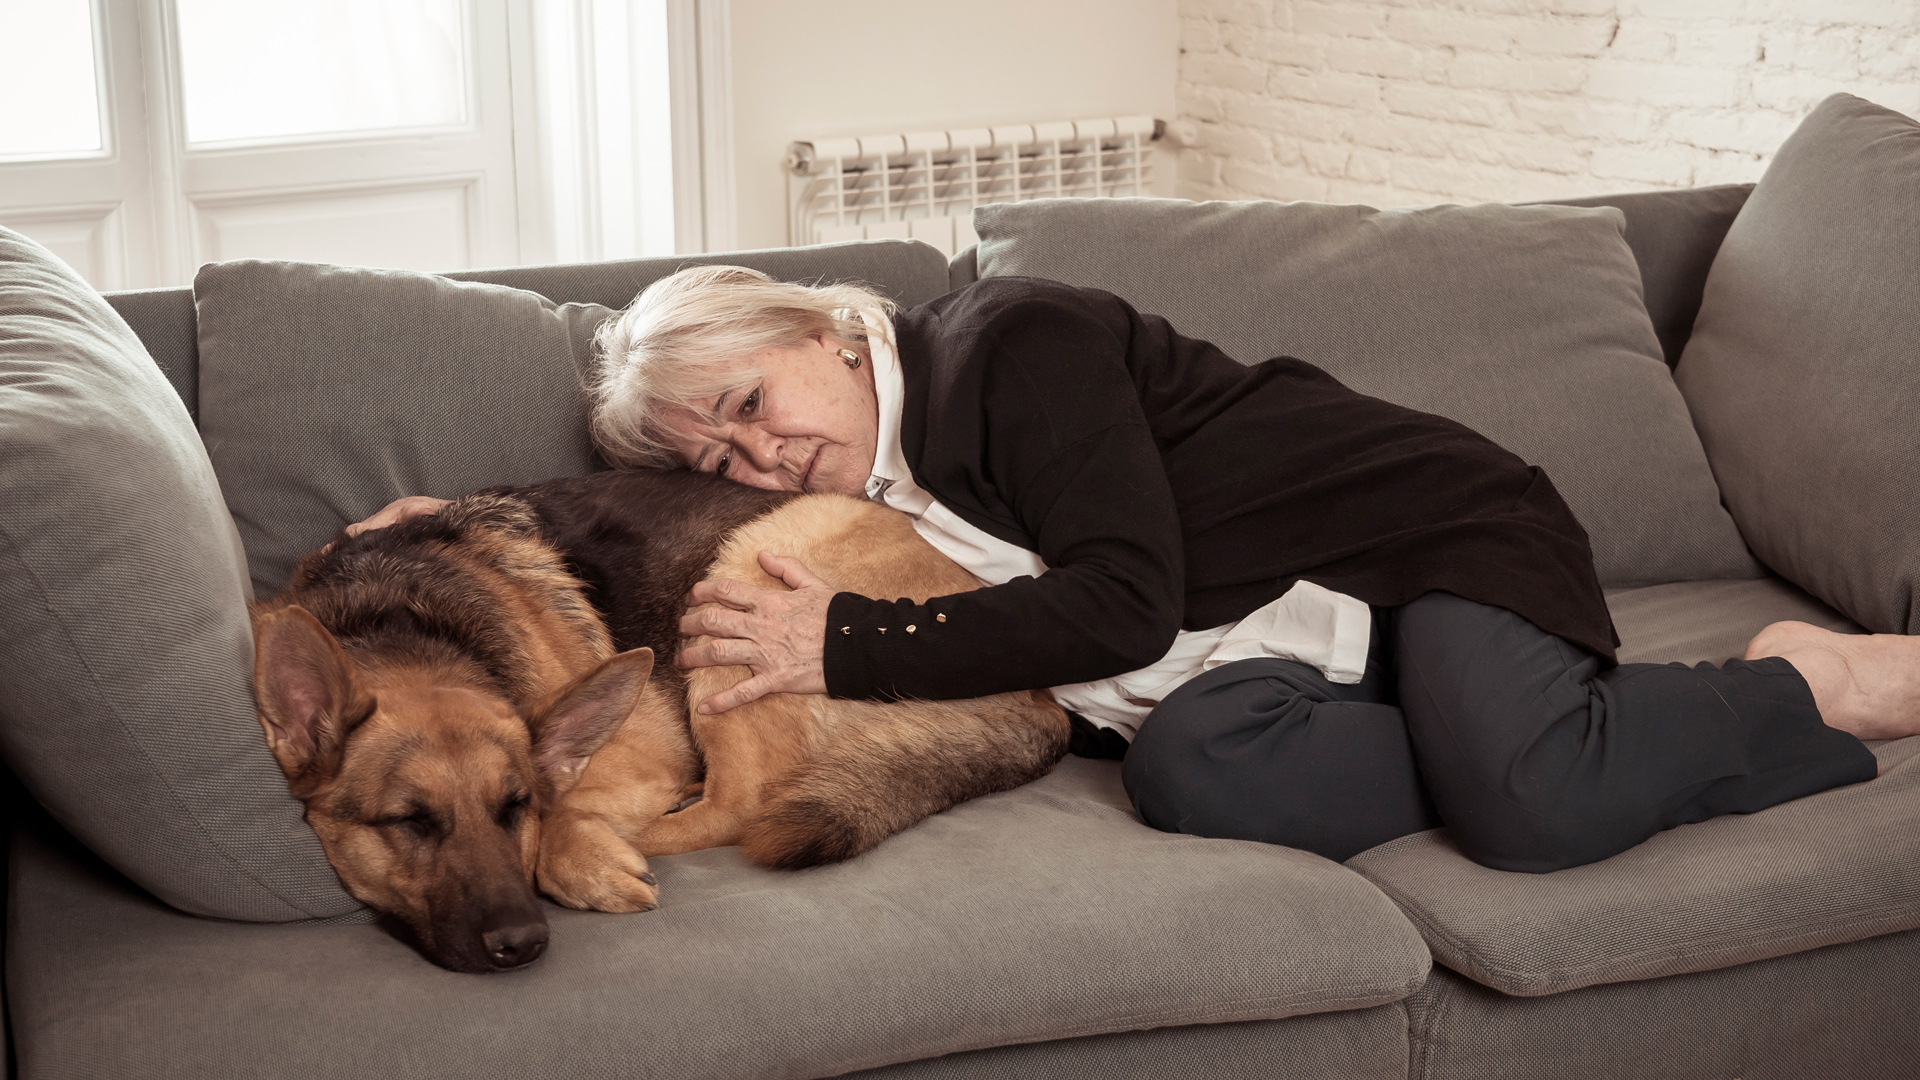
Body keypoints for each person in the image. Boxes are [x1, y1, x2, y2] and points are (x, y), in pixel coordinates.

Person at [352, 266, 1920, 874]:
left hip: (1423, 552)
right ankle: (1548, 723)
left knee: (1536, 809)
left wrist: (851, 639)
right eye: (722, 457)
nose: (759, 466)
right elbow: (631, 509)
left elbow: (1120, 605)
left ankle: (1798, 683)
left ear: (829, 327)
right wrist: (462, 515)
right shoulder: (875, 459)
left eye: (756, 408)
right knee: (1193, 772)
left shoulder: (1011, 347)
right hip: (1286, 667)